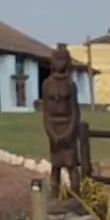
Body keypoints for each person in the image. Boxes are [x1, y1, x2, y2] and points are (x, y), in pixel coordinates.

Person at [39, 43, 84, 199]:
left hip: (67, 126)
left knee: (71, 165)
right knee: (56, 166)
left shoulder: (70, 85)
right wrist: (51, 132)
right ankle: (54, 196)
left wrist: (69, 132)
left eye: (63, 60)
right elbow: (45, 112)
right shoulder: (47, 84)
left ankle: (76, 197)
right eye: (57, 60)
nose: (60, 63)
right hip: (54, 126)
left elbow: (75, 112)